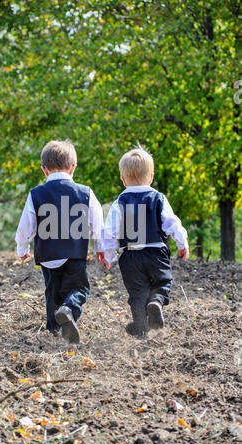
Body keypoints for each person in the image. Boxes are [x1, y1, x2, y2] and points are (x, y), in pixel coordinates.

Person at [15, 139, 104, 344]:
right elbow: (97, 223)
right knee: (79, 289)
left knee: (52, 292)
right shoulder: (85, 192)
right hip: (74, 254)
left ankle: (54, 331)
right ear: (73, 167)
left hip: (47, 255)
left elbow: (25, 225)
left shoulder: (35, 194)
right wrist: (101, 248)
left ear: (44, 170)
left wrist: (23, 247)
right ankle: (69, 310)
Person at [102, 145, 189, 339]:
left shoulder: (119, 203)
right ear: (151, 177)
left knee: (137, 293)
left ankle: (141, 328)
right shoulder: (158, 198)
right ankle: (156, 302)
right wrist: (182, 244)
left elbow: (109, 233)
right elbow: (172, 223)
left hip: (130, 255)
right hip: (156, 253)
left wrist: (109, 255)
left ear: (123, 180)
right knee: (163, 281)